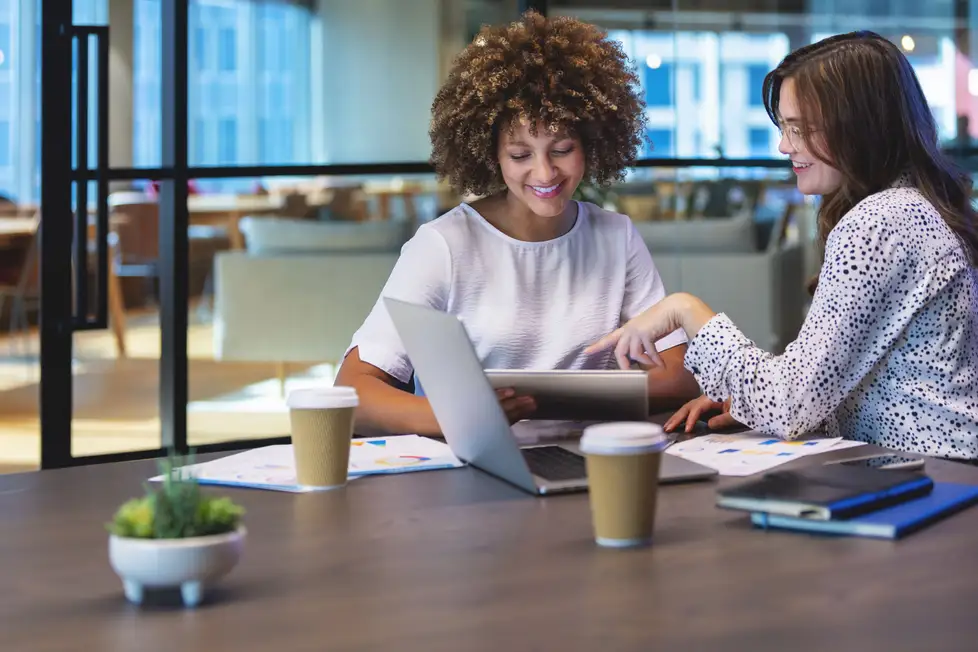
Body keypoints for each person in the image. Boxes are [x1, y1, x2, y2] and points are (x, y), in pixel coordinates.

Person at [587, 31, 978, 460]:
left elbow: (788, 402)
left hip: (935, 479)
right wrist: (752, 404)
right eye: (784, 127)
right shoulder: (916, 207)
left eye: (800, 128)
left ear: (861, 129)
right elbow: (835, 385)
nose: (783, 145)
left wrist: (684, 309)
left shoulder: (881, 222)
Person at [334, 11, 700, 436]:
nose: (545, 174)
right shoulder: (443, 246)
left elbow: (678, 376)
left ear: (590, 144)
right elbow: (353, 391)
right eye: (521, 155)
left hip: (591, 459)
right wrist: (457, 416)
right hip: (480, 464)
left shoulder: (616, 237)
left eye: (562, 149)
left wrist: (542, 398)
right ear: (491, 153)